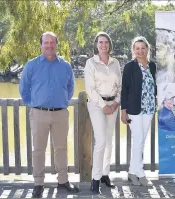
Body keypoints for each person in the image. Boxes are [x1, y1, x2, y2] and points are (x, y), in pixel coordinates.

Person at [19, 32, 79, 198]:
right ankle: (38, 183)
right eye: (46, 42)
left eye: (52, 43)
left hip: (60, 114)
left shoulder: (65, 66)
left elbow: (70, 87)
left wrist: (63, 101)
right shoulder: (31, 65)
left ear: (56, 45)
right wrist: (33, 103)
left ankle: (63, 180)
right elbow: (24, 89)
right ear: (41, 45)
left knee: (61, 148)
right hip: (39, 113)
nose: (49, 46)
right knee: (38, 149)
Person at [84, 32, 121, 193]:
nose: (103, 45)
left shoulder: (115, 63)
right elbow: (90, 89)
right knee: (100, 141)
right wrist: (103, 106)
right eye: (100, 42)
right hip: (97, 105)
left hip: (113, 104)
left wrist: (116, 103)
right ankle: (95, 179)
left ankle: (106, 174)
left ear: (109, 44)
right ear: (96, 44)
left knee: (109, 140)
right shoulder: (90, 63)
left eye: (106, 42)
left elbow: (120, 86)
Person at [121, 36, 156, 186]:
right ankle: (140, 173)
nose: (140, 51)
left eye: (143, 48)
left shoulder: (153, 66)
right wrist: (123, 111)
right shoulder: (129, 67)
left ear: (147, 49)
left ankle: (132, 172)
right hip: (134, 109)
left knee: (140, 140)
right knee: (139, 139)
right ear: (133, 50)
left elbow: (157, 86)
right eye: (137, 48)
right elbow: (124, 90)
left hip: (149, 108)